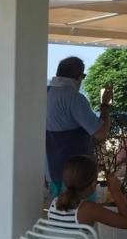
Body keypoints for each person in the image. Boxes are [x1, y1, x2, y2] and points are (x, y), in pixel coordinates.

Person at [46, 56, 111, 197]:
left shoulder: (46, 93)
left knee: (59, 214)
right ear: (78, 76)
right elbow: (100, 133)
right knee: (82, 216)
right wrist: (105, 105)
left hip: (53, 170)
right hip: (79, 176)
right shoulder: (74, 98)